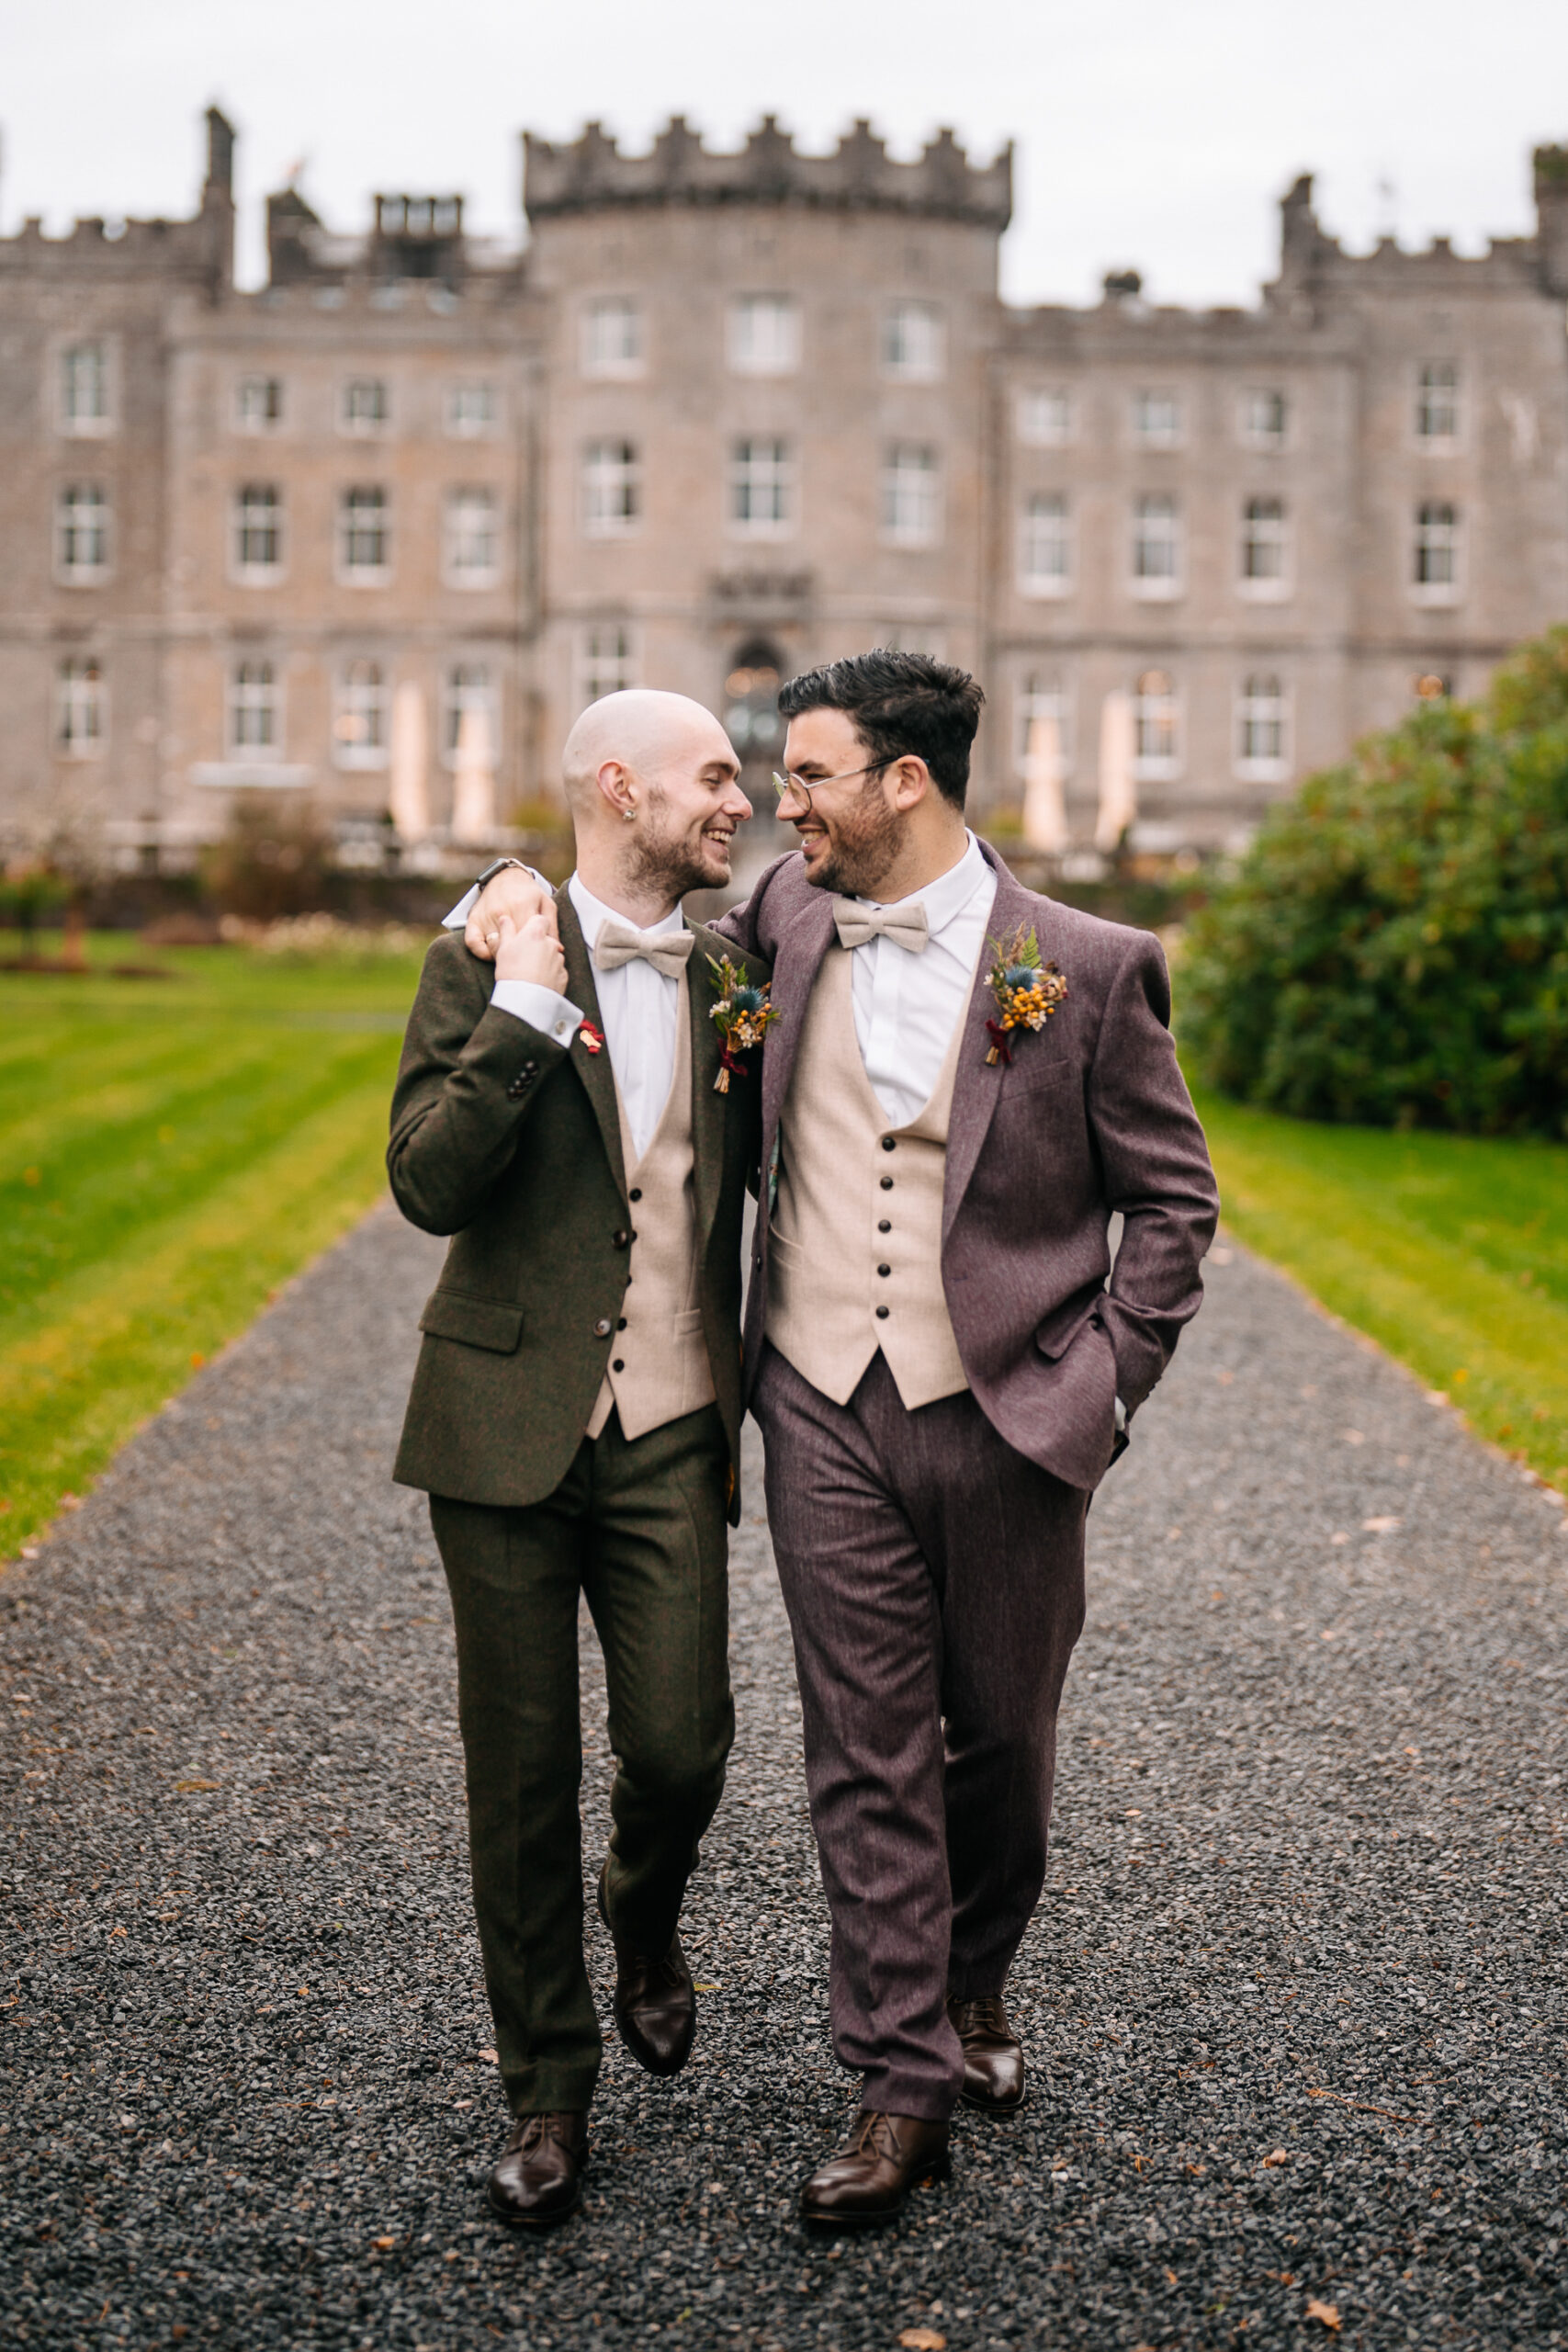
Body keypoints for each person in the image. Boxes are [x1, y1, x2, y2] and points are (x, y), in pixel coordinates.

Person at [459, 650, 1219, 2228]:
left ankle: (972, 1981)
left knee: (999, 1746)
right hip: (815, 1399)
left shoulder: (1085, 966)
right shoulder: (782, 922)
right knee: (863, 1753)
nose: (772, 801)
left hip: (1009, 1414)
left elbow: (1175, 1201)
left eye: (804, 776)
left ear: (903, 785)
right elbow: (622, 911)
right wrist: (499, 897)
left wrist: (1102, 1382)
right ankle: (897, 2085)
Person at [389, 690, 765, 2229]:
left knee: (684, 1746)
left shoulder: (739, 969)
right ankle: (547, 2095)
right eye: (717, 777)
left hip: (672, 1417)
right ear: (621, 788)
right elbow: (428, 1182)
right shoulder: (486, 955)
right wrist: (528, 1012)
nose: (741, 801)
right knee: (522, 1778)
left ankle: (645, 1913)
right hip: (501, 1430)